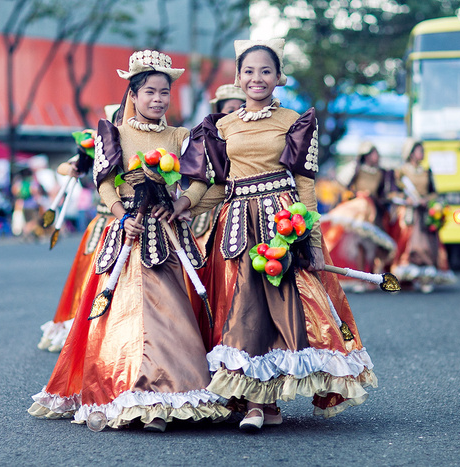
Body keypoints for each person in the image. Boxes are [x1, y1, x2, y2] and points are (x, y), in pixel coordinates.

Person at [28, 50, 230, 432]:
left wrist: (183, 202)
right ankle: (128, 388)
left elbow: (203, 178)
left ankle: (166, 392)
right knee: (127, 316)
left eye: (164, 93)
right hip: (128, 236)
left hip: (167, 237)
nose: (158, 99)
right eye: (149, 92)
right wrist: (122, 216)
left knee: (170, 312)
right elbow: (103, 181)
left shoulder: (181, 136)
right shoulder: (115, 133)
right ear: (133, 96)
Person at [180, 39, 377, 432]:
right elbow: (213, 186)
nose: (257, 78)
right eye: (249, 71)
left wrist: (316, 245)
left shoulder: (294, 120)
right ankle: (260, 403)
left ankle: (263, 402)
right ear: (238, 77)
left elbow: (306, 187)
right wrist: (184, 205)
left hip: (282, 226)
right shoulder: (221, 126)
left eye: (265, 71)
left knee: (282, 310)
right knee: (246, 311)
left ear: (278, 77)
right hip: (237, 226)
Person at [37, 104, 121, 352]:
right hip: (103, 223)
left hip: (135, 224)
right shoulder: (100, 144)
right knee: (87, 278)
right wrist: (74, 168)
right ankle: (79, 331)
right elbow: (64, 167)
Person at [320, 142, 397, 293]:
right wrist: (355, 195)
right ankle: (362, 279)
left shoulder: (383, 173)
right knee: (360, 245)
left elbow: (385, 194)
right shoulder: (356, 169)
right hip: (359, 212)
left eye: (376, 153)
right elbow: (342, 185)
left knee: (374, 245)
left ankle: (374, 278)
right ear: (366, 155)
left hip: (374, 212)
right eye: (373, 153)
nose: (376, 156)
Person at [391, 139, 456, 293]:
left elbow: (434, 192)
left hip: (425, 213)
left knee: (428, 245)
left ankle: (426, 277)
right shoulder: (401, 172)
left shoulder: (427, 171)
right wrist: (406, 199)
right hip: (408, 214)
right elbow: (393, 192)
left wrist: (426, 200)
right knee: (410, 245)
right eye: (419, 151)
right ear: (411, 153)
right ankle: (408, 277)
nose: (422, 154)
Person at [191, 84, 247, 247]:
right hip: (208, 213)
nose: (236, 114)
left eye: (242, 108)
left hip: (245, 209)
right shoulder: (206, 140)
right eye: (230, 110)